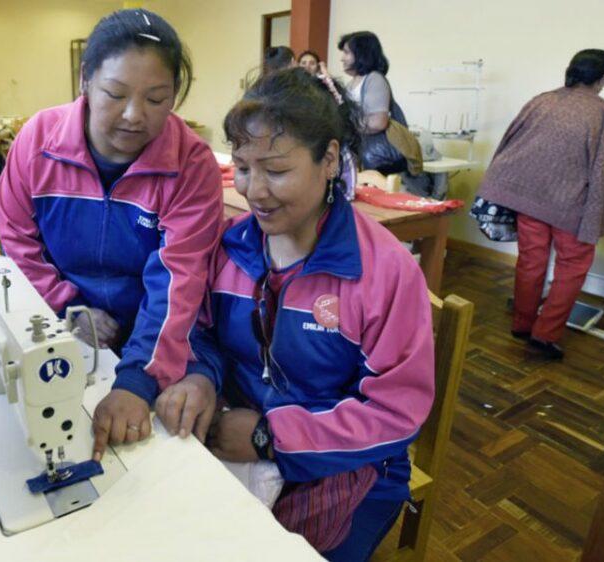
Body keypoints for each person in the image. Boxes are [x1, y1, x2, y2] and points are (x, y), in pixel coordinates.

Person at [180, 68, 435, 560]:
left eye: (275, 171)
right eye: (244, 168)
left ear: (331, 158)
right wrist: (201, 380)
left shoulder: (383, 272)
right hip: (238, 433)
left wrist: (269, 436)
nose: (254, 191)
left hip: (353, 463)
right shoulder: (230, 250)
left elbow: (395, 415)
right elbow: (202, 335)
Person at [0, 9, 223, 457]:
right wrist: (66, 304)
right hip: (64, 317)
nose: (134, 116)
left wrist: (138, 379)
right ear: (85, 80)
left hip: (159, 330)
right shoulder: (37, 143)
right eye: (115, 94)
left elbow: (178, 282)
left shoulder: (191, 165)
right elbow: (17, 241)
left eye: (157, 99)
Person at [477, 49, 604, 360]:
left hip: (529, 198)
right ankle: (544, 336)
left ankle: (522, 324)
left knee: (531, 261)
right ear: (603, 79)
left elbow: (512, 141)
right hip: (572, 207)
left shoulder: (541, 101)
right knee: (572, 267)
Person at [337, 31, 424, 183]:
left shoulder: (374, 79)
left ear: (361, 54)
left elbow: (378, 122)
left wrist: (347, 126)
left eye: (346, 53)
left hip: (378, 157)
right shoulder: (352, 84)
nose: (342, 58)